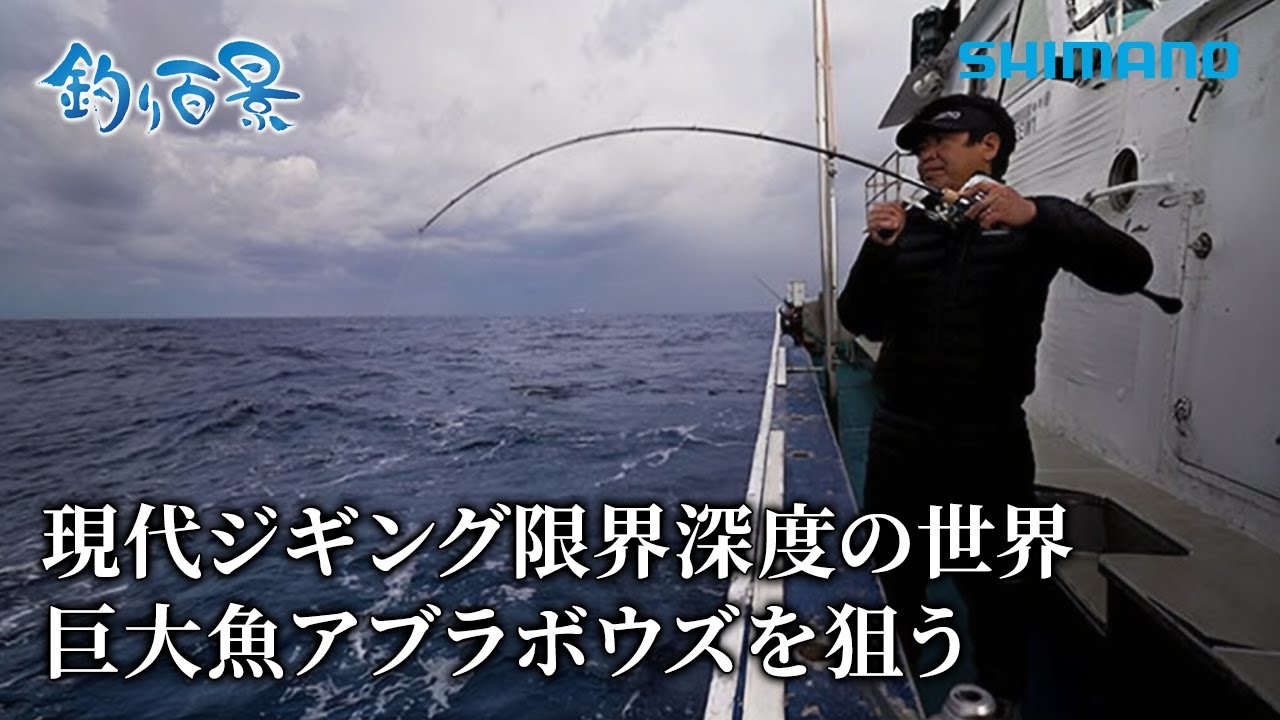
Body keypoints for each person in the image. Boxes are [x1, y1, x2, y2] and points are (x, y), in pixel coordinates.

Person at [837, 94, 1154, 714]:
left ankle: (1003, 697)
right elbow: (859, 319)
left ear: (990, 146)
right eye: (921, 146)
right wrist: (879, 248)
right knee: (892, 570)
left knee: (999, 582)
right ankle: (887, 682)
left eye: (941, 140)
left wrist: (1036, 215)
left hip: (989, 437)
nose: (927, 154)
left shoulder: (1037, 224)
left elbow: (1130, 270)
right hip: (900, 433)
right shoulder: (906, 229)